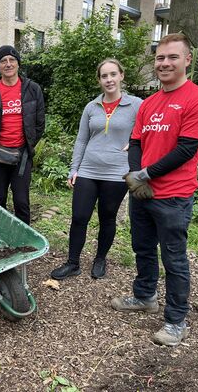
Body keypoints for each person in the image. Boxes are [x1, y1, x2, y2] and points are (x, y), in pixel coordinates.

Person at [111, 33, 198, 347]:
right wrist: (134, 174)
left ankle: (176, 319)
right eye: (160, 57)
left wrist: (143, 174)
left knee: (174, 259)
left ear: (186, 60)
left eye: (172, 57)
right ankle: (145, 296)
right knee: (142, 248)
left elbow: (185, 150)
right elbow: (137, 142)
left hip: (174, 195)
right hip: (142, 193)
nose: (165, 63)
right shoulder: (151, 103)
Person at [50, 59, 142, 280]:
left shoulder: (137, 105)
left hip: (117, 173)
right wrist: (74, 169)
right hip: (89, 170)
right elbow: (81, 140)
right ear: (99, 80)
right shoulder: (91, 107)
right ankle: (72, 263)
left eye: (112, 74)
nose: (109, 80)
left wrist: (137, 142)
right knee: (79, 217)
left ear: (121, 75)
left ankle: (100, 259)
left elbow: (148, 130)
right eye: (104, 76)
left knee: (107, 217)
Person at [0, 45, 45, 225]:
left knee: (21, 201)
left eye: (12, 60)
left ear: (18, 64)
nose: (8, 64)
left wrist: (27, 143)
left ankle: (24, 239)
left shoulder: (32, 89)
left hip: (22, 156)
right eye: (3, 61)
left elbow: (39, 124)